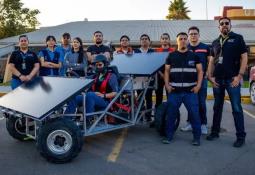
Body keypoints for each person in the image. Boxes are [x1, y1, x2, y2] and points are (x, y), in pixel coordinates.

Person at [207, 17, 248, 148]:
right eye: (222, 24)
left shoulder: (238, 38)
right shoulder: (215, 42)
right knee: (217, 107)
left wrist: (239, 76)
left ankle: (240, 137)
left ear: (230, 25)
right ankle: (215, 132)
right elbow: (211, 61)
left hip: (232, 80)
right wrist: (210, 77)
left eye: (226, 23)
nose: (224, 25)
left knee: (236, 108)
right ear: (218, 27)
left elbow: (244, 57)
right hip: (217, 80)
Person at [163, 32, 203, 146]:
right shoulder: (171, 56)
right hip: (174, 92)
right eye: (181, 38)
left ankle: (196, 138)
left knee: (194, 115)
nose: (183, 40)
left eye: (185, 38)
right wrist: (167, 85)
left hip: (190, 92)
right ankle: (168, 136)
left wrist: (198, 86)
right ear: (177, 41)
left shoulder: (194, 56)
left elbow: (200, 71)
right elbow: (166, 71)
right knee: (171, 115)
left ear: (188, 40)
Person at [180, 26, 211, 134]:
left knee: (201, 103)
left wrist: (208, 73)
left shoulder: (205, 47)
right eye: (191, 34)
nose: (193, 35)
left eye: (195, 33)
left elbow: (210, 62)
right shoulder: (185, 48)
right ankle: (190, 123)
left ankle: (203, 124)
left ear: (199, 35)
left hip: (201, 80)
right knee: (190, 103)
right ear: (188, 36)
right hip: (189, 81)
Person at [134, 34, 154, 122]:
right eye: (142, 39)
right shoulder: (136, 51)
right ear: (140, 41)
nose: (144, 40)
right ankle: (140, 117)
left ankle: (148, 116)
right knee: (140, 98)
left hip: (149, 79)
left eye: (146, 39)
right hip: (138, 79)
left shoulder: (152, 51)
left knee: (149, 98)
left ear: (149, 41)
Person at [155, 33, 174, 109]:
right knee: (158, 96)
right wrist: (161, 74)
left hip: (170, 76)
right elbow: (155, 64)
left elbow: (174, 64)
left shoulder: (173, 51)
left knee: (170, 96)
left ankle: (171, 114)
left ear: (169, 40)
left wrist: (167, 74)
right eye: (163, 38)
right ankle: (158, 114)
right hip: (159, 76)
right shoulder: (157, 51)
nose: (164, 40)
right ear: (160, 40)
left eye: (166, 38)